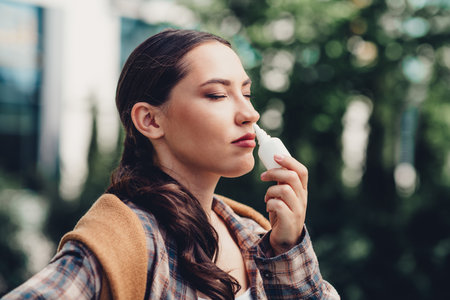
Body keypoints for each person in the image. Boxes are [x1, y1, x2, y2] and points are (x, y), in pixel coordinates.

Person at [2, 29, 339, 300]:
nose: (249, 114)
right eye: (217, 95)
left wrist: (285, 250)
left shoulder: (254, 234)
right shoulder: (124, 241)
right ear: (150, 120)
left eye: (247, 93)